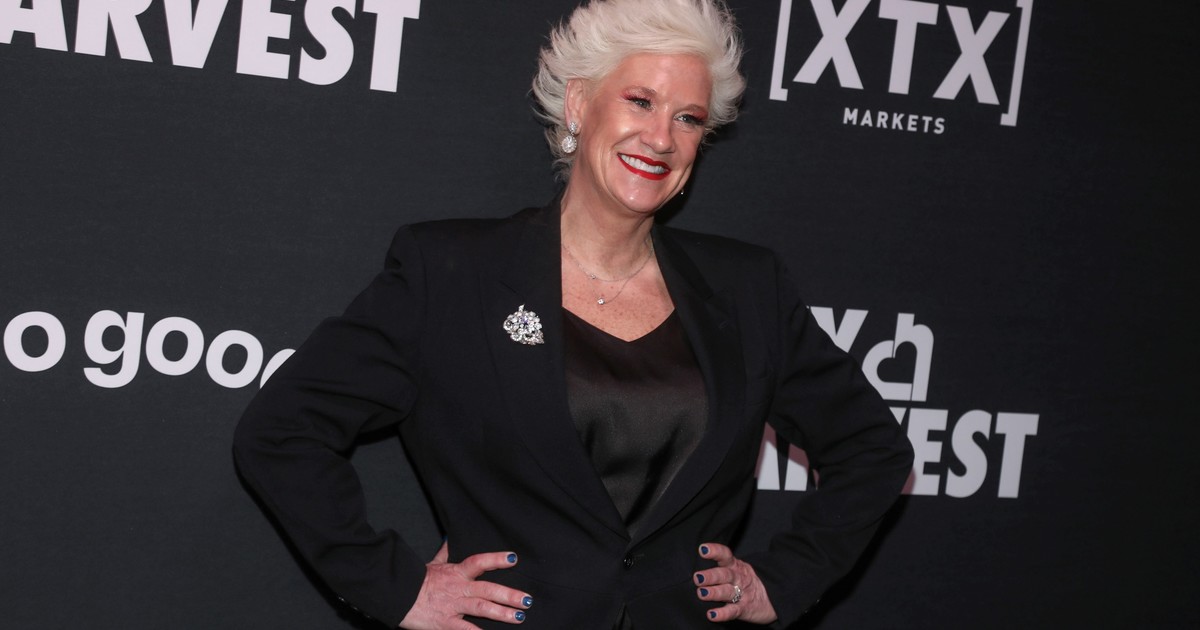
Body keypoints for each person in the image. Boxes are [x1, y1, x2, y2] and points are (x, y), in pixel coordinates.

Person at [232, 0, 913, 628]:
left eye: (688, 118)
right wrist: (399, 588)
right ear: (580, 104)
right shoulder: (451, 274)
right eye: (640, 101)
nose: (661, 138)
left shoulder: (747, 288)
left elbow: (874, 451)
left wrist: (782, 581)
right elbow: (282, 430)